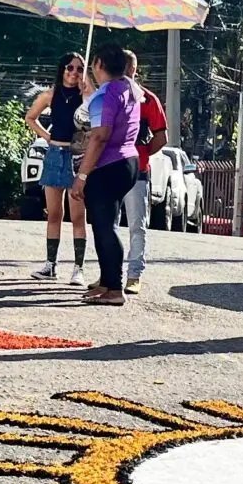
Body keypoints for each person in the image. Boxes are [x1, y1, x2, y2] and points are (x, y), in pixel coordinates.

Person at [72, 44, 142, 306]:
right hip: (128, 161)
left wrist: (82, 176)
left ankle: (114, 288)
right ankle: (106, 281)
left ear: (99, 64)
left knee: (105, 227)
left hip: (108, 165)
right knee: (104, 224)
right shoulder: (128, 88)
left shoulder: (107, 93)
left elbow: (100, 137)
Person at [22, 53, 89, 284]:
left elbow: (95, 111)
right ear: (62, 69)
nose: (74, 72)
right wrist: (47, 136)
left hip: (76, 155)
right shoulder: (50, 95)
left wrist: (86, 85)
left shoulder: (85, 96)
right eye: (70, 67)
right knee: (54, 214)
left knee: (78, 216)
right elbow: (30, 117)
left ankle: (78, 268)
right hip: (54, 154)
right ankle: (50, 264)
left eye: (79, 69)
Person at [117, 59, 169, 293]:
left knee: (137, 225)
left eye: (123, 66)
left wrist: (143, 153)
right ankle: (109, 274)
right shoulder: (109, 97)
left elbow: (161, 137)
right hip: (110, 169)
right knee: (107, 226)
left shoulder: (148, 100)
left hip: (137, 171)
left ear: (133, 69)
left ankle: (134, 275)